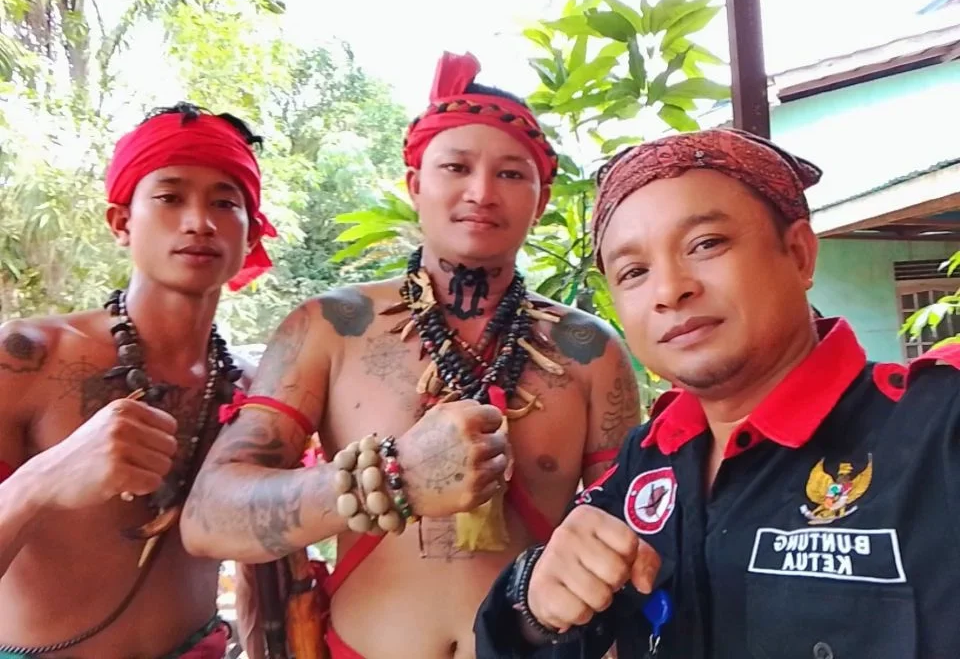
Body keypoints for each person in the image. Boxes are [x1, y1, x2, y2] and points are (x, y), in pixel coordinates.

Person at [180, 51, 640, 659]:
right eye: (456, 167)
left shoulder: (590, 351)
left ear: (542, 198)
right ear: (416, 184)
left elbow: (631, 534)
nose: (481, 192)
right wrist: (395, 478)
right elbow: (208, 517)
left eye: (511, 174)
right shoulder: (329, 327)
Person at [474, 128, 960, 658]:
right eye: (634, 272)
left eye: (706, 244)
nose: (669, 291)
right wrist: (533, 606)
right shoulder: (647, 461)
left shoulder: (937, 430)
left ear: (799, 254)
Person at [0, 102, 276, 658]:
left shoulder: (257, 389)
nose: (199, 222)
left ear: (250, 237)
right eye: (170, 198)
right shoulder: (27, 359)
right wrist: (44, 478)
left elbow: (262, 565)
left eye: (225, 203)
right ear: (121, 222)